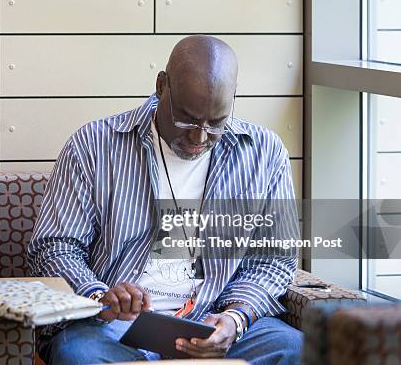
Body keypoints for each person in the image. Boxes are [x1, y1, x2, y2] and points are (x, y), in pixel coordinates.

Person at [27, 35, 302, 364]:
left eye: (215, 122)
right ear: (161, 86)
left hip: (214, 321)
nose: (199, 136)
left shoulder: (264, 153)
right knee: (80, 354)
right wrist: (99, 294)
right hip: (115, 328)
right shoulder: (93, 146)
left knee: (297, 349)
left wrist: (235, 318)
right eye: (186, 118)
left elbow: (274, 261)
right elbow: (54, 247)